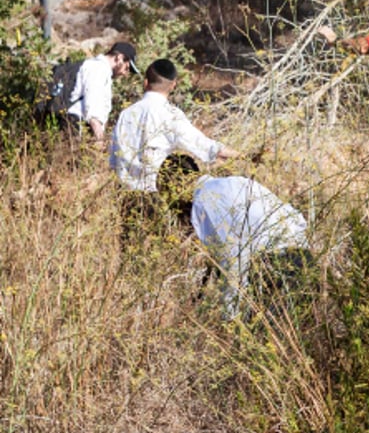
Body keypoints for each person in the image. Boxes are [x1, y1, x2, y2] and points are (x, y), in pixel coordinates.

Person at [159, 155, 311, 319]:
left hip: (277, 270)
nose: (169, 202)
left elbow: (234, 257)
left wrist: (229, 316)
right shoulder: (236, 182)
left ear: (177, 186)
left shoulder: (203, 202)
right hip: (305, 261)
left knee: (256, 338)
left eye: (167, 194)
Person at [109, 58, 239, 230]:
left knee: (128, 249)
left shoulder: (126, 114)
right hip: (154, 195)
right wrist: (242, 156)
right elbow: (202, 145)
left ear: (145, 82)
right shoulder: (170, 114)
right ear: (173, 85)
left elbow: (113, 159)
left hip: (125, 195)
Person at [61, 41, 139, 144]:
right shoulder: (99, 69)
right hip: (74, 125)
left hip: (73, 124)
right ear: (119, 58)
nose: (125, 73)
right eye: (127, 67)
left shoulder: (98, 68)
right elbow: (93, 108)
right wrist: (99, 139)